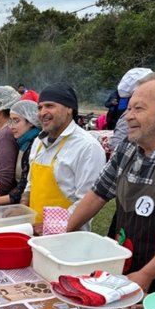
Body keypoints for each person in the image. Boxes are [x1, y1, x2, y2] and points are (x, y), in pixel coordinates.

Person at [68, 72, 155, 293]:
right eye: (129, 108)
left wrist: (148, 278)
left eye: (139, 109)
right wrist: (62, 234)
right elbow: (97, 194)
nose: (128, 116)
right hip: (122, 271)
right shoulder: (128, 147)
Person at [28, 82, 106, 232]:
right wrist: (23, 202)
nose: (42, 112)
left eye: (49, 106)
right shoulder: (38, 141)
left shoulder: (87, 147)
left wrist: (52, 226)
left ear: (69, 108)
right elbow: (31, 184)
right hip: (35, 234)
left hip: (69, 238)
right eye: (40, 107)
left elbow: (87, 201)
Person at [0, 99, 41, 205]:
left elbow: (25, 185)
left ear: (30, 122)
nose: (11, 126)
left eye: (16, 121)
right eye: (10, 120)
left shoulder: (34, 145)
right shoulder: (23, 143)